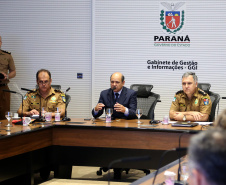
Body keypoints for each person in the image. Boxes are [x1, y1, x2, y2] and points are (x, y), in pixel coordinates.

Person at [0, 36, 16, 120]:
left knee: (4, 114)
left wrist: (7, 76)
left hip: (3, 89)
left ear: (1, 43)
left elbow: (13, 72)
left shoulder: (7, 56)